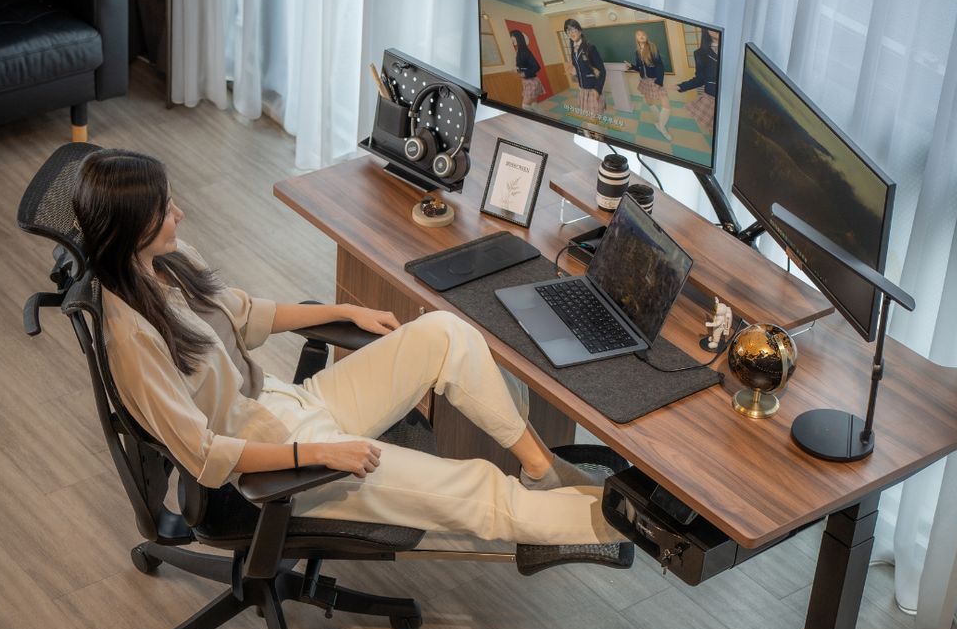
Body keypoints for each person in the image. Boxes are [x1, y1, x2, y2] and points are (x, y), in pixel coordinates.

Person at [71, 148, 626, 549]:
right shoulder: (134, 340)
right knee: (478, 488)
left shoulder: (161, 261)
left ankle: (541, 467)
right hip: (275, 468)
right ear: (129, 227)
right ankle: (621, 526)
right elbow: (206, 454)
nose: (180, 213)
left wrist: (343, 312)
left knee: (446, 333)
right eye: (165, 209)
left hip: (287, 403)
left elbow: (246, 313)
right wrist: (320, 454)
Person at [624, 29, 672, 141]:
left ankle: (661, 126)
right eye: (639, 35)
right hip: (644, 80)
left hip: (654, 80)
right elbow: (639, 67)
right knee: (650, 102)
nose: (641, 36)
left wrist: (659, 82)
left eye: (643, 34)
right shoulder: (636, 52)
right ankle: (660, 123)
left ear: (646, 37)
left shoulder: (652, 48)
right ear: (636, 38)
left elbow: (660, 66)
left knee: (665, 103)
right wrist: (631, 65)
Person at [676, 28, 719, 134]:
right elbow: (699, 79)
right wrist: (680, 86)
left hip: (733, 98)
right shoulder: (700, 54)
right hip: (711, 99)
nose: (716, 29)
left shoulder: (734, 49)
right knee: (713, 130)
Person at [563, 18, 607, 118]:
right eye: (568, 30)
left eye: (573, 29)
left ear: (580, 30)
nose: (570, 32)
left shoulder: (590, 48)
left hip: (593, 90)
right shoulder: (573, 51)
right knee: (590, 123)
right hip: (582, 90)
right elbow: (580, 73)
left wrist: (597, 89)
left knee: (593, 123)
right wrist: (574, 73)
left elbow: (602, 71)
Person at [509, 30, 545, 112]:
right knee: (534, 105)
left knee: (525, 106)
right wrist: (517, 70)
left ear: (517, 37)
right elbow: (526, 66)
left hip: (531, 82)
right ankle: (544, 119)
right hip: (528, 81)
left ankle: (535, 122)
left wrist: (525, 74)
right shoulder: (519, 51)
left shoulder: (525, 51)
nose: (511, 39)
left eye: (512, 36)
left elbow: (537, 67)